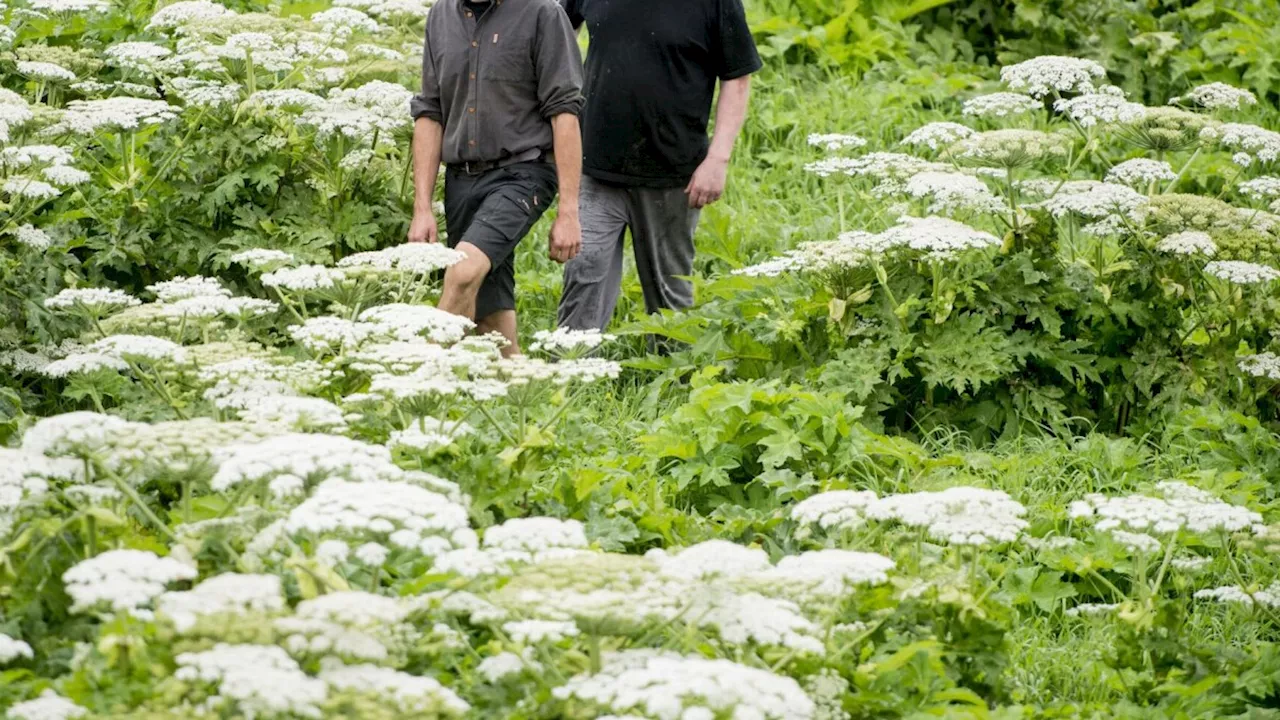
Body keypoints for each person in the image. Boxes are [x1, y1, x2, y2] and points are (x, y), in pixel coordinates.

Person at [556, 0, 761, 334]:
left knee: (669, 295)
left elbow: (737, 78)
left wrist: (718, 159)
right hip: (595, 164)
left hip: (672, 175)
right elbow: (554, 31)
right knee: (583, 270)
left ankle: (676, 379)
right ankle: (570, 375)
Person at [408, 0, 585, 356]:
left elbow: (564, 113)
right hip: (462, 180)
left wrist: (569, 211)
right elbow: (430, 113)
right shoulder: (441, 16)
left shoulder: (542, 14)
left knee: (461, 273)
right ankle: (524, 399)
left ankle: (415, 379)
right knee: (490, 324)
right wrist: (422, 207)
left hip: (523, 173)